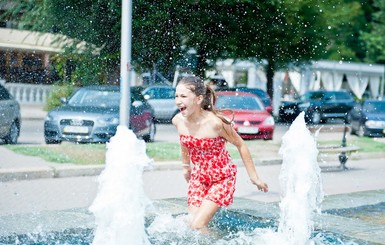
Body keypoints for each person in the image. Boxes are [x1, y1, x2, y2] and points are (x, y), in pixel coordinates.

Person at [172, 76, 268, 232]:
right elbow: (184, 142)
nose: (178, 101)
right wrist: (185, 166)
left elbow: (241, 145)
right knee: (192, 224)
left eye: (183, 96)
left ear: (198, 99)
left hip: (222, 178)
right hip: (199, 177)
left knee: (198, 225)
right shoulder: (178, 120)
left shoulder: (216, 123)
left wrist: (254, 177)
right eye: (176, 96)